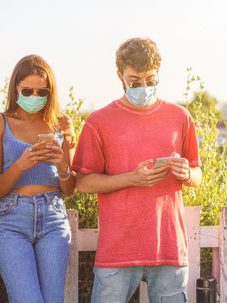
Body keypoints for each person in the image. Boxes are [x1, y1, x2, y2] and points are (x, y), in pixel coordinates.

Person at [72, 37, 202, 303]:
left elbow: (197, 175)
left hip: (169, 249)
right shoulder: (98, 122)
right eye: (134, 81)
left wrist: (185, 173)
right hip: (117, 252)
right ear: (119, 75)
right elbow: (83, 183)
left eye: (150, 79)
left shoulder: (181, 117)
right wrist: (131, 179)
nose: (143, 86)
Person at [0, 54, 75, 303]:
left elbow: (69, 189)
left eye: (42, 92)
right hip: (11, 219)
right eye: (27, 91)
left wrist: (61, 163)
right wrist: (20, 165)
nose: (35, 97)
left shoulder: (61, 123)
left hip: (54, 218)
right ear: (15, 88)